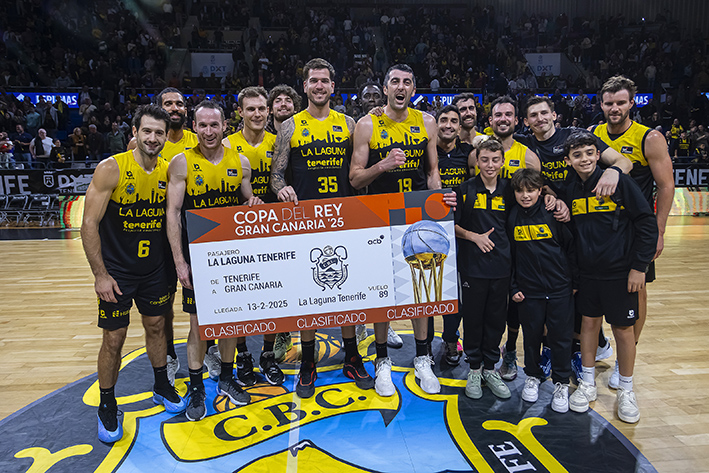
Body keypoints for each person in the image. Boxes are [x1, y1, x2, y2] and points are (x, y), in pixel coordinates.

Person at [81, 104, 186, 443]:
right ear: (135, 133)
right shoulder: (111, 168)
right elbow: (88, 225)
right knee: (114, 338)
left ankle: (161, 385)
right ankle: (107, 404)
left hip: (154, 269)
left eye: (159, 132)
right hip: (117, 272)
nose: (153, 138)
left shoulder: (169, 171)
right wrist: (100, 275)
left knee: (157, 327)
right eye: (147, 131)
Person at [270, 58, 374, 399]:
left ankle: (352, 355)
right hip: (304, 221)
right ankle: (308, 361)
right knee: (307, 294)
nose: (319, 86)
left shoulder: (349, 124)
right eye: (313, 80)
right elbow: (276, 175)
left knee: (345, 288)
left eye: (324, 81)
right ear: (305, 86)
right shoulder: (289, 126)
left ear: (333, 86)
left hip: (344, 217)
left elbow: (361, 170)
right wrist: (280, 188)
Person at [350, 64, 455, 396]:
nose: (401, 86)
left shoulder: (427, 121)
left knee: (420, 290)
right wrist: (382, 165)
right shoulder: (367, 125)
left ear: (413, 89)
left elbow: (433, 169)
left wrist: (439, 205)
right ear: (385, 88)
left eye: (407, 82)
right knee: (383, 292)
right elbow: (355, 178)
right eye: (394, 81)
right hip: (378, 214)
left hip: (419, 214)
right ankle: (382, 360)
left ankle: (422, 358)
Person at [519, 95, 634, 378]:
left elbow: (623, 160)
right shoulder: (527, 146)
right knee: (560, 291)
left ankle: (586, 349)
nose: (540, 119)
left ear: (554, 115)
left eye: (544, 113)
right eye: (533, 115)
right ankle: (568, 348)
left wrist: (614, 173)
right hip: (556, 221)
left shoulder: (575, 137)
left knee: (581, 293)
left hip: (589, 221)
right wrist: (551, 195)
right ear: (526, 122)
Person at [167, 100, 261, 421]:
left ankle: (224, 378)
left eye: (214, 125)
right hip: (197, 255)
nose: (209, 131)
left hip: (231, 255)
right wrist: (180, 261)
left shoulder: (241, 161)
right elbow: (173, 214)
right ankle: (196, 387)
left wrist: (253, 203)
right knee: (198, 324)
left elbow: (247, 199)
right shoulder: (181, 163)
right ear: (194, 127)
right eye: (203, 125)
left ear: (225, 126)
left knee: (231, 321)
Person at [562, 131, 658, 424]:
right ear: (568, 160)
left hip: (620, 271)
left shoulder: (619, 183)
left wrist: (639, 267)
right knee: (589, 324)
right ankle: (588, 382)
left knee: (623, 330)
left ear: (598, 154)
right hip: (589, 272)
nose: (585, 159)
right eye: (577, 155)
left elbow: (646, 222)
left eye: (590, 153)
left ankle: (626, 390)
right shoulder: (570, 188)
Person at [592, 76, 674, 388]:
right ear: (601, 104)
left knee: (635, 289)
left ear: (631, 104)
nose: (614, 108)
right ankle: (601, 344)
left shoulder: (649, 138)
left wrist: (660, 230)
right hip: (599, 228)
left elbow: (666, 185)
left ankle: (629, 355)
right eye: (609, 103)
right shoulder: (593, 134)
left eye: (620, 102)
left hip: (634, 230)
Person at [222, 86, 285, 386]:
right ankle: (244, 354)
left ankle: (268, 354)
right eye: (251, 109)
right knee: (243, 299)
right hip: (238, 231)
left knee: (274, 297)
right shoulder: (226, 145)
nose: (257, 114)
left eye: (262, 109)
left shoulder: (279, 141)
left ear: (269, 111)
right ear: (241, 113)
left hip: (275, 229)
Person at [508, 168, 575, 413]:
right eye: (520, 191)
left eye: (531, 190)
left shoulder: (552, 213)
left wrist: (573, 283)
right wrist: (513, 286)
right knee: (532, 336)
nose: (525, 195)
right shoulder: (512, 216)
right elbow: (511, 257)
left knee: (560, 338)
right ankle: (533, 376)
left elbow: (570, 248)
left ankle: (560, 382)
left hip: (559, 289)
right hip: (529, 291)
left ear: (540, 190)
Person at [453, 136, 513, 400]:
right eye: (485, 160)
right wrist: (473, 236)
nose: (490, 165)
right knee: (474, 320)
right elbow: (448, 226)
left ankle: (491, 368)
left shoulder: (510, 190)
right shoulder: (463, 190)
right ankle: (474, 369)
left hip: (502, 268)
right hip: (473, 268)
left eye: (495, 160)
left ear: (502, 161)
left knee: (496, 321)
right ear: (476, 161)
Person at [433, 104, 475, 365]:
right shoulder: (427, 152)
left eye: (453, 121)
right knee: (425, 291)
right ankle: (424, 344)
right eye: (444, 120)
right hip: (430, 230)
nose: (448, 125)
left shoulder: (469, 154)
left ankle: (450, 338)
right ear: (436, 124)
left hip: (460, 232)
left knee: (456, 293)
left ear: (460, 127)